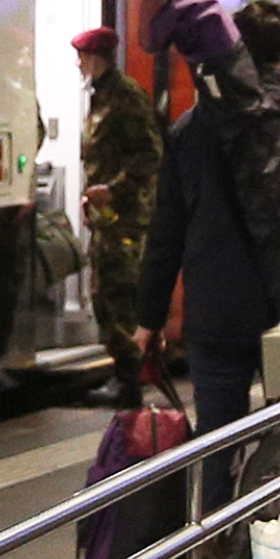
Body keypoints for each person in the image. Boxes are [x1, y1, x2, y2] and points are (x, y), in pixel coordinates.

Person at [137, 0, 280, 438]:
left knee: (216, 440)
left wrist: (150, 317)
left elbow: (166, 231)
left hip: (215, 311)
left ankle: (214, 507)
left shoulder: (189, 128)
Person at [81, 22, 168, 373]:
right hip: (107, 217)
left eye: (82, 57)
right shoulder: (101, 95)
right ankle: (124, 372)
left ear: (95, 58)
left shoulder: (126, 95)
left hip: (127, 216)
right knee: (105, 294)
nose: (79, 65)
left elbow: (150, 152)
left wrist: (113, 190)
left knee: (121, 294)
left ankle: (132, 378)